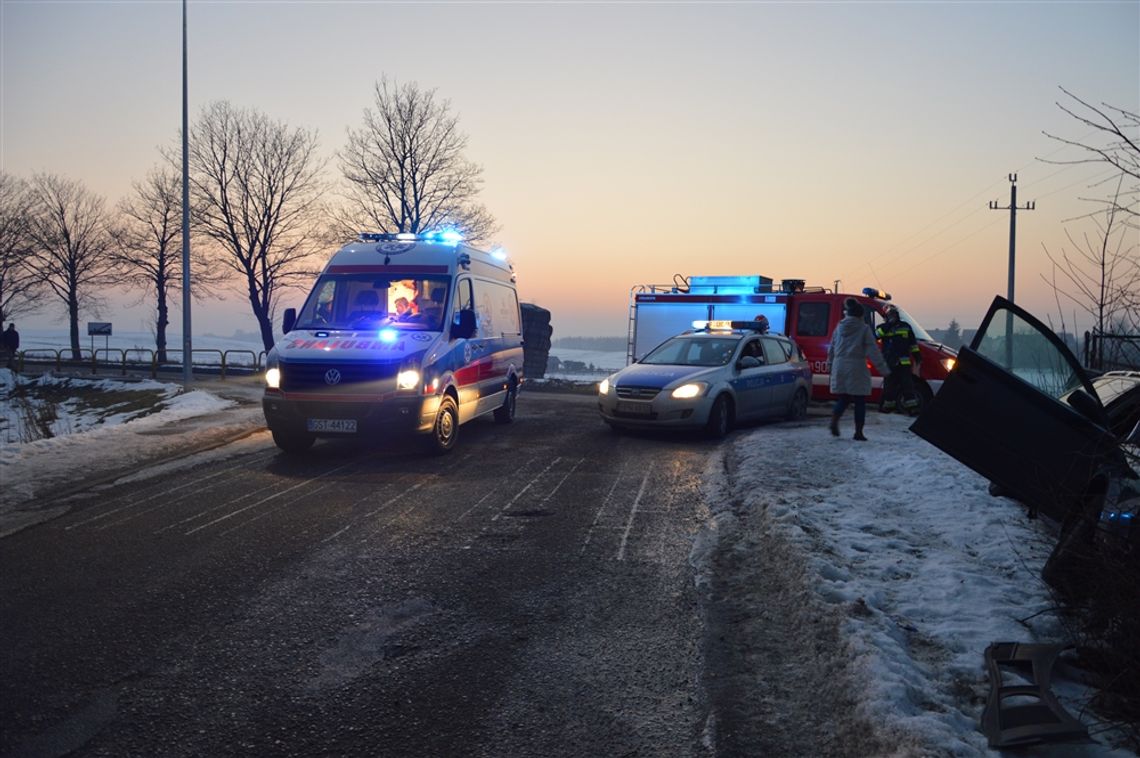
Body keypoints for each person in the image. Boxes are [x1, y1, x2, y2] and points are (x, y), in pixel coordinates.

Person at [827, 299, 890, 441]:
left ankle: (834, 420)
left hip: (839, 364)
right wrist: (883, 369)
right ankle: (858, 432)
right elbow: (873, 350)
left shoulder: (839, 327)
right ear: (861, 315)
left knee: (844, 398)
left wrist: (830, 364)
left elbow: (831, 347)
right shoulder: (863, 329)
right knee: (860, 400)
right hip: (856, 366)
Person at [876, 305, 921, 413]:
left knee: (907, 385)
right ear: (886, 316)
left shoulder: (906, 326)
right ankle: (887, 407)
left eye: (894, 314)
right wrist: (889, 324)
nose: (893, 316)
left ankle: (912, 407)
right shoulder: (882, 327)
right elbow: (876, 335)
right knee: (889, 386)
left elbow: (913, 344)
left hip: (904, 363)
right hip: (889, 362)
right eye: (890, 315)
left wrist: (917, 356)